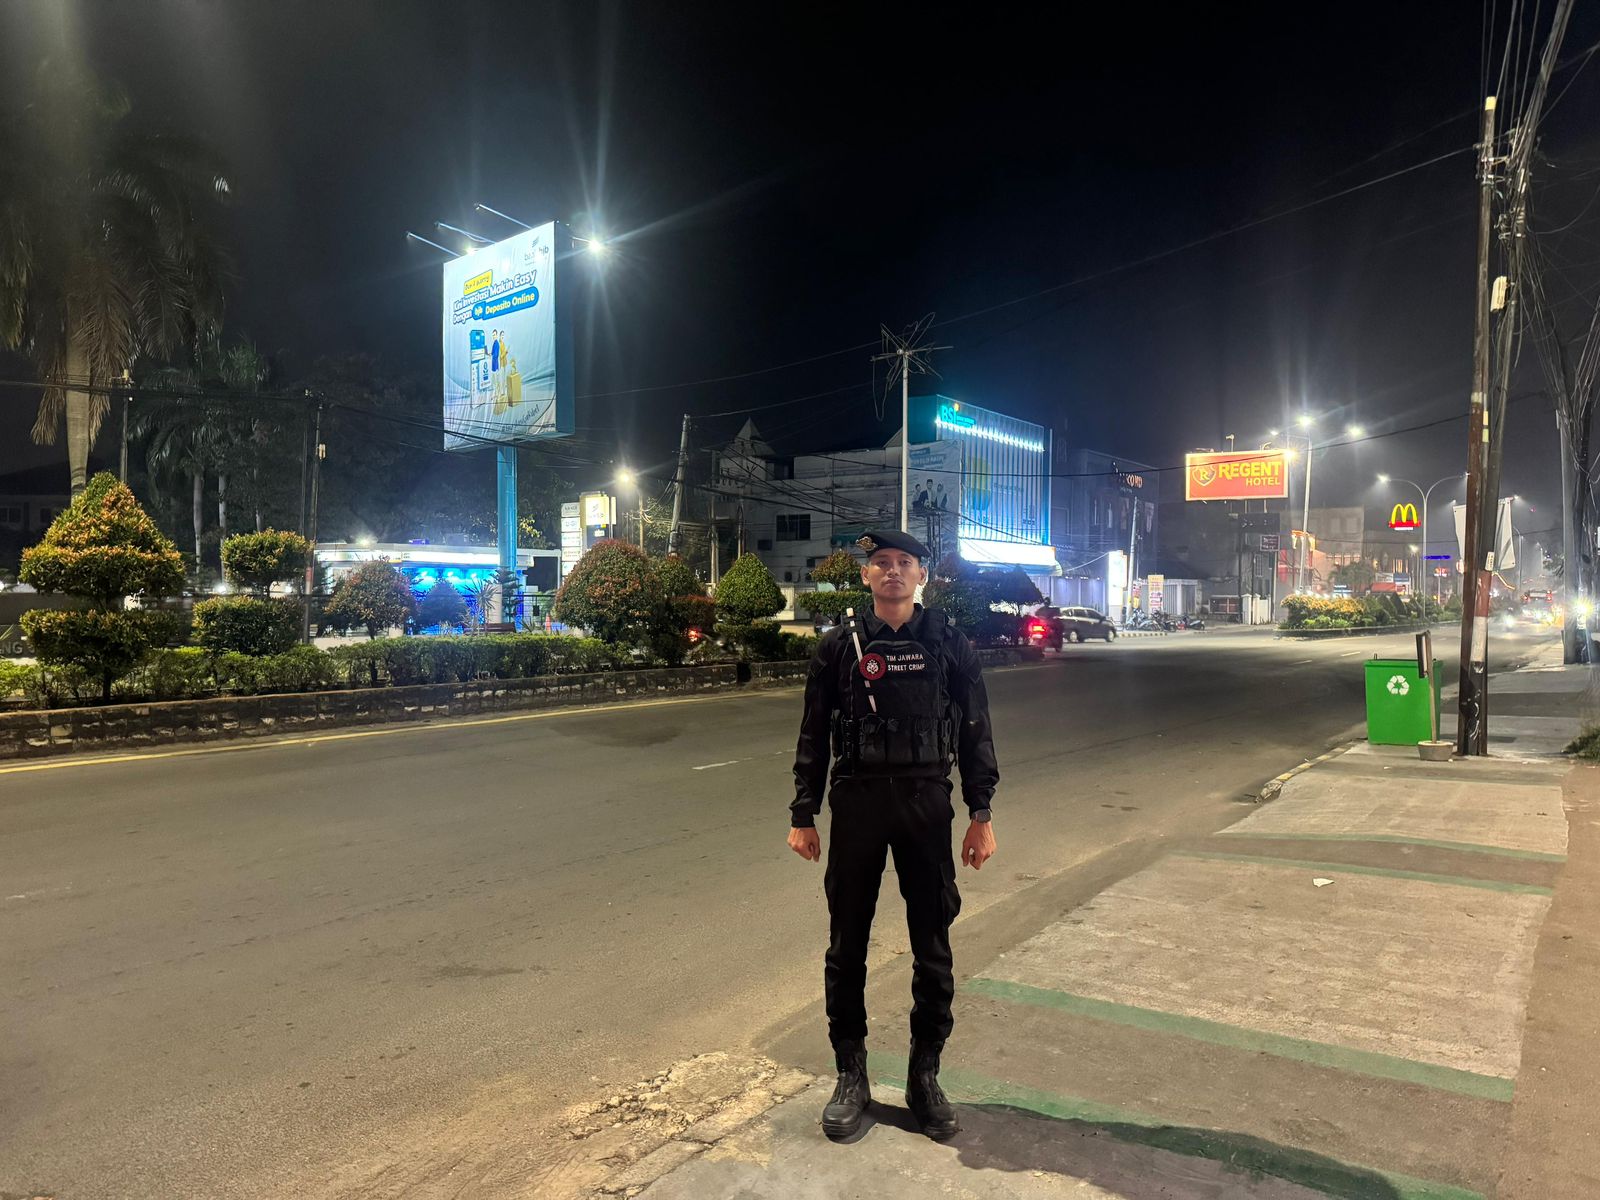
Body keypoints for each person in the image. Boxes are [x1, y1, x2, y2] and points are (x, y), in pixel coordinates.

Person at [788, 528, 998, 1141]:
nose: (893, 571)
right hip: (856, 804)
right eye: (881, 563)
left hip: (925, 804)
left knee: (932, 945)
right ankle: (850, 1075)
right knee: (846, 945)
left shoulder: (950, 643)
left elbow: (976, 731)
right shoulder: (838, 646)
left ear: (921, 575)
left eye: (905, 562)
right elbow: (813, 732)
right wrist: (803, 812)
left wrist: (981, 813)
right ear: (866, 575)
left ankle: (923, 1076)